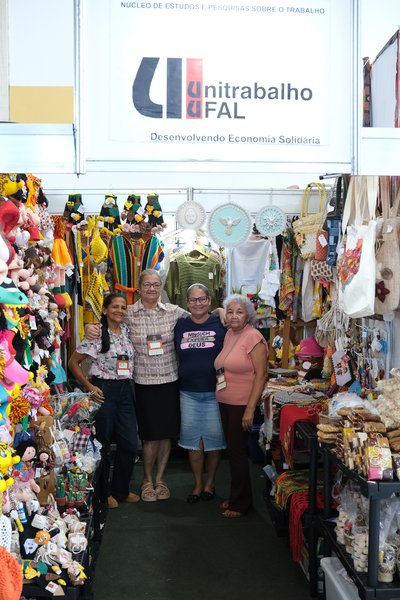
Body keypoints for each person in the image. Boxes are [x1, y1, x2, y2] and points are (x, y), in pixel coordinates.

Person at [85, 268, 225, 502]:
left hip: (170, 380)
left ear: (161, 288)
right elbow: (109, 320)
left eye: (156, 284)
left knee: (166, 434)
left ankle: (160, 480)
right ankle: (147, 480)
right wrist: (91, 326)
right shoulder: (128, 312)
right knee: (149, 435)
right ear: (139, 288)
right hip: (143, 382)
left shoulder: (174, 312)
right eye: (147, 284)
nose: (152, 288)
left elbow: (199, 311)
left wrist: (220, 310)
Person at [68, 293, 139, 509]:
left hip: (125, 391)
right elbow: (73, 362)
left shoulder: (126, 330)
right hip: (103, 391)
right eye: (115, 307)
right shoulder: (97, 333)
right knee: (103, 443)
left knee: (130, 443)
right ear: (105, 310)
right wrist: (89, 387)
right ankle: (103, 493)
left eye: (123, 307)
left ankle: (121, 490)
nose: (119, 311)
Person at [214, 294, 268, 518]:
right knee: (233, 451)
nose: (234, 316)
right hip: (226, 401)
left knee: (237, 453)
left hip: (241, 404)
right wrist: (219, 310)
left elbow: (261, 375)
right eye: (230, 312)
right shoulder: (230, 333)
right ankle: (236, 495)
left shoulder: (253, 336)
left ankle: (241, 503)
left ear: (248, 316)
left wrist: (249, 409)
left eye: (239, 312)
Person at [174, 284, 226, 504]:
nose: (198, 303)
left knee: (214, 441)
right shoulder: (180, 324)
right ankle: (197, 484)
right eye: (194, 300)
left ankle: (210, 483)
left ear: (209, 301)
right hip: (188, 393)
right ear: (187, 303)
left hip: (216, 392)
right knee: (193, 441)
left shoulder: (221, 323)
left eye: (202, 299)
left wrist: (222, 310)